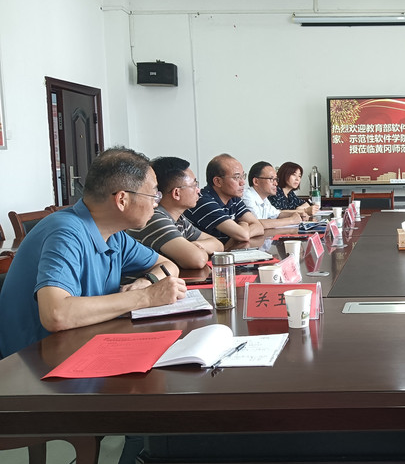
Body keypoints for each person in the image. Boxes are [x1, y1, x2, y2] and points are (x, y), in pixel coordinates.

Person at [0, 147, 186, 357]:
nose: (156, 203)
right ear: (122, 200)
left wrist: (147, 281)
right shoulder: (66, 232)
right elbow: (56, 314)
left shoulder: (114, 235)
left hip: (80, 344)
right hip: (31, 362)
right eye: (153, 194)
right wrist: (146, 297)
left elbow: (168, 265)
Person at [128, 156, 224, 269]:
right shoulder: (154, 218)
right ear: (176, 193)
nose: (198, 190)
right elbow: (197, 260)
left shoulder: (179, 219)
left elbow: (218, 245)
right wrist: (195, 249)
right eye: (194, 185)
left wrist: (196, 245)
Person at [184, 153, 264, 248]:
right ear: (218, 181)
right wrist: (244, 223)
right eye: (236, 177)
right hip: (204, 254)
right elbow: (243, 235)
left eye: (243, 176)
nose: (243, 182)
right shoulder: (203, 201)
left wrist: (241, 231)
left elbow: (259, 227)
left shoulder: (234, 198)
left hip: (224, 251)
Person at [242, 161, 303, 229]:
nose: (276, 184)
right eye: (271, 179)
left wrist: (299, 214)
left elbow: (277, 214)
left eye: (276, 179)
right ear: (256, 181)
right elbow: (256, 223)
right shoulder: (246, 196)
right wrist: (291, 220)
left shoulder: (264, 199)